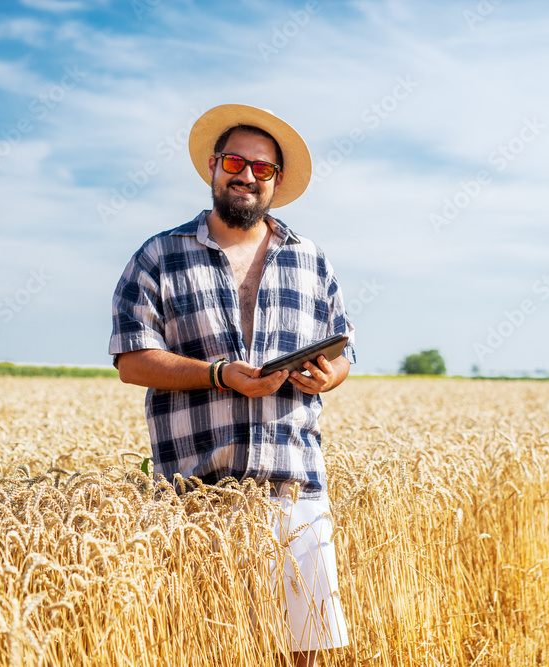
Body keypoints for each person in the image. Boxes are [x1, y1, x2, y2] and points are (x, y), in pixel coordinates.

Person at [108, 104, 354, 665]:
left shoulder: (311, 261)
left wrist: (328, 374)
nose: (247, 176)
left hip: (295, 488)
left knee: (306, 653)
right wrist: (220, 375)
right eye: (236, 162)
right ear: (213, 167)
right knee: (214, 650)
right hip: (197, 496)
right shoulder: (159, 256)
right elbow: (131, 358)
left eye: (262, 169)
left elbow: (345, 351)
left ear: (277, 181)